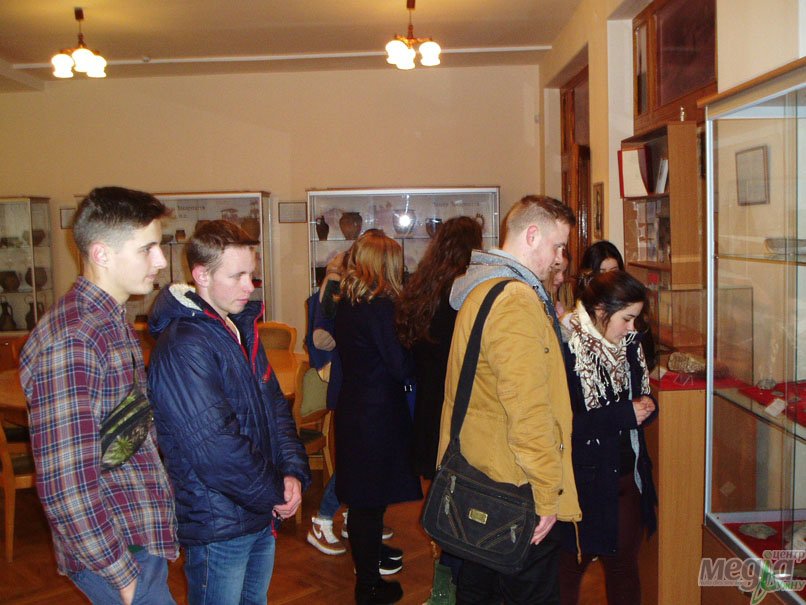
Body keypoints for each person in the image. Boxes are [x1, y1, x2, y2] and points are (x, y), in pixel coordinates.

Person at [19, 186, 178, 604]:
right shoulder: (76, 338)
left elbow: (125, 435)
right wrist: (122, 576)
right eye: (147, 249)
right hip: (117, 550)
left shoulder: (107, 320)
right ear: (102, 254)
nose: (161, 261)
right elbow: (64, 482)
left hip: (133, 534)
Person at [146, 220, 311, 605]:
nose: (249, 286)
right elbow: (215, 448)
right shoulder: (184, 345)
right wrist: (275, 491)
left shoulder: (237, 327)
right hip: (218, 522)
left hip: (256, 509)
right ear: (201, 275)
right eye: (237, 276)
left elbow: (275, 408)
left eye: (251, 275)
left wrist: (291, 471)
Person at [437, 195, 582, 604]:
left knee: (477, 591)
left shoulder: (483, 287)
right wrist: (547, 497)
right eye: (557, 246)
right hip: (515, 491)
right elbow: (529, 411)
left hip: (481, 478)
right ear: (532, 235)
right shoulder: (515, 300)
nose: (559, 259)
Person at [395, 216, 483, 604]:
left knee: (444, 494)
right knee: (464, 497)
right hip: (462, 406)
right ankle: (455, 580)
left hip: (430, 406)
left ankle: (444, 580)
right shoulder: (467, 290)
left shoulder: (426, 287)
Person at [557, 270, 658, 605]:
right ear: (601, 311)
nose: (632, 328)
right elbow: (562, 426)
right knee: (568, 571)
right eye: (627, 318)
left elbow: (641, 395)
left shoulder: (630, 346)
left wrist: (647, 407)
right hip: (581, 485)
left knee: (624, 570)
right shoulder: (568, 349)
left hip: (625, 479)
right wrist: (624, 414)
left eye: (636, 319)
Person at [333, 229, 422, 605]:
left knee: (364, 501)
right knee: (369, 505)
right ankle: (368, 586)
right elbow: (400, 367)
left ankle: (369, 571)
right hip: (377, 416)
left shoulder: (348, 304)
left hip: (356, 409)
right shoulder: (381, 308)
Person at [305, 248, 398, 566]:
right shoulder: (339, 290)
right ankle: (323, 519)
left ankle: (355, 518)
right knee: (354, 462)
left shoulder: (351, 292)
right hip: (352, 388)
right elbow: (320, 337)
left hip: (357, 389)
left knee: (362, 462)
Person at [576, 241, 656, 370]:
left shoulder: (635, 308)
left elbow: (648, 359)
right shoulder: (579, 326)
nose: (609, 279)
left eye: (614, 272)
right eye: (602, 273)